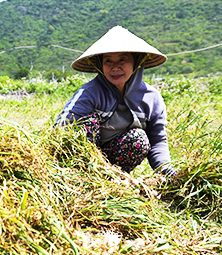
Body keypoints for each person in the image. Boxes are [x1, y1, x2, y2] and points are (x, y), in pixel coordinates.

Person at [55, 26, 174, 175]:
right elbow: (61, 131)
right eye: (108, 61)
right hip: (85, 163)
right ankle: (87, 178)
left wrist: (166, 170)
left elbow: (157, 140)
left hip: (116, 161)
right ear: (100, 64)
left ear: (136, 62)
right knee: (85, 122)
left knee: (138, 139)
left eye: (122, 59)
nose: (115, 67)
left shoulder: (151, 98)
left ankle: (114, 178)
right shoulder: (90, 93)